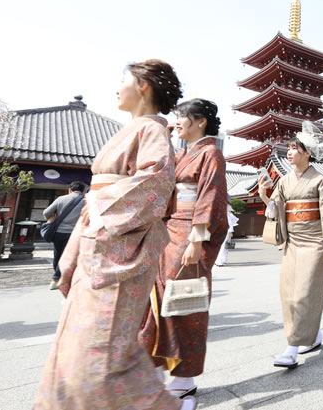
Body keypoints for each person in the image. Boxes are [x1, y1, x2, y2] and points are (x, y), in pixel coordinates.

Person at [35, 59, 190, 410]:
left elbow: (156, 185)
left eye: (123, 80)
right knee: (82, 345)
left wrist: (99, 208)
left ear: (143, 87)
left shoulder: (152, 132)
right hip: (101, 238)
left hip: (119, 246)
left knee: (104, 351)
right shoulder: (133, 130)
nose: (117, 88)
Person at [138, 98, 228, 398]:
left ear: (200, 121)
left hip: (189, 233)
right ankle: (153, 365)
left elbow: (210, 195)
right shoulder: (181, 153)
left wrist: (197, 239)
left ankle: (184, 379)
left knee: (184, 303)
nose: (176, 122)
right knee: (156, 300)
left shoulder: (211, 152)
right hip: (166, 231)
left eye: (181, 116)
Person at [258, 122, 323, 369]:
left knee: (305, 293)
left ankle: (292, 347)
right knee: (288, 293)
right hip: (293, 243)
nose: (289, 151)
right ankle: (313, 336)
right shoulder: (284, 181)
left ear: (308, 152)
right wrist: (265, 194)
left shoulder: (320, 181)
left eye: (295, 148)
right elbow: (275, 209)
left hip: (315, 242)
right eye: (288, 147)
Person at [42, 181, 86, 290]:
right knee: (67, 255)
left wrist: (54, 218)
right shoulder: (86, 201)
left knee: (57, 254)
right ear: (82, 190)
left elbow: (46, 212)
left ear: (70, 190)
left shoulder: (61, 199)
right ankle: (56, 278)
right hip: (73, 232)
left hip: (58, 231)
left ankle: (57, 276)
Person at [214, 202, 239, 267]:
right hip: (226, 232)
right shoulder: (227, 214)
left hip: (221, 232)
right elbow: (229, 224)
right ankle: (220, 261)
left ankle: (222, 260)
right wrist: (231, 232)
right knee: (224, 247)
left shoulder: (222, 214)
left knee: (224, 247)